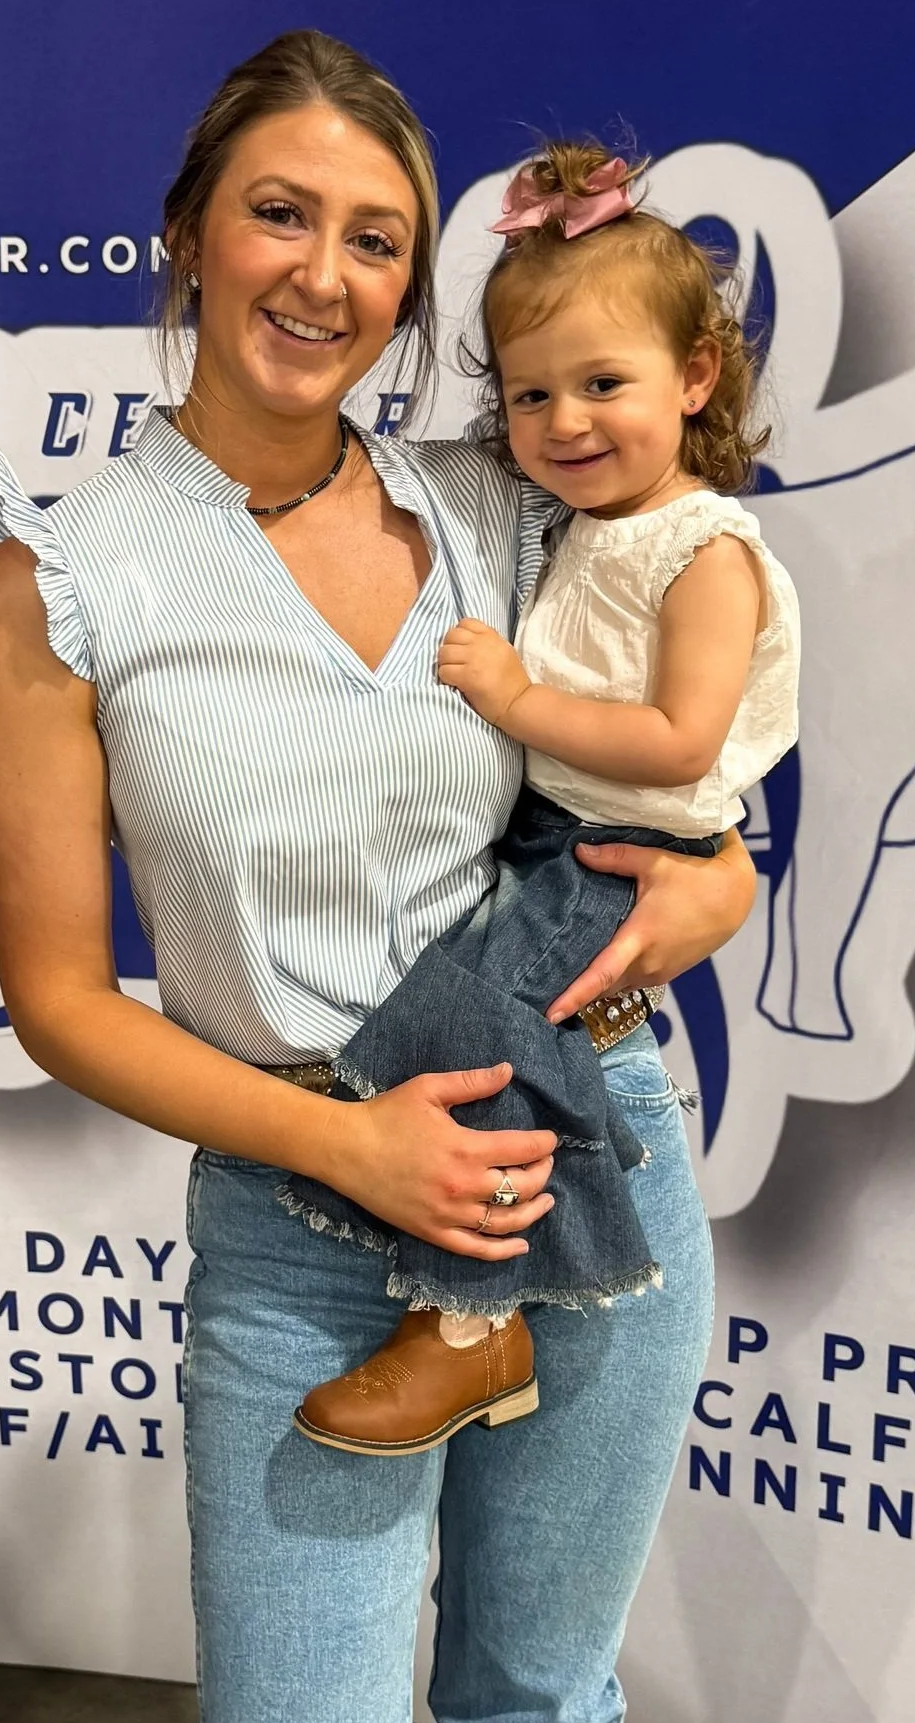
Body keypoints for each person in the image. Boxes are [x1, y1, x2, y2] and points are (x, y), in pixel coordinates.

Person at [0, 29, 757, 1723]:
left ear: (418, 288)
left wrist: (717, 894)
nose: (320, 271)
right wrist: (349, 1145)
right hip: (310, 1243)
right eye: (280, 214)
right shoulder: (65, 572)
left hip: (591, 1204)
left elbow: (681, 813)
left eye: (374, 238)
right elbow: (65, 996)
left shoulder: (506, 506)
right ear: (193, 233)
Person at [283, 139, 800, 1459]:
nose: (564, 423)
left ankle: (471, 1317)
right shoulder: (581, 522)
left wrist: (513, 703)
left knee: (483, 1025)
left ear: (695, 378)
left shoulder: (703, 549)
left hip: (622, 843)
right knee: (428, 1011)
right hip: (554, 832)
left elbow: (682, 740)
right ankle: (509, 1239)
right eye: (529, 396)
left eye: (603, 384)